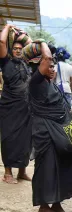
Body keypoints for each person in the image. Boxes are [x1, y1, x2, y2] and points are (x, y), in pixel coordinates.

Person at [29, 42, 72, 212]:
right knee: (46, 168)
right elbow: (48, 57)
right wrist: (43, 43)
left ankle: (57, 202)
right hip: (45, 134)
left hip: (61, 133)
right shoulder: (35, 83)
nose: (52, 69)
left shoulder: (52, 84)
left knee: (63, 166)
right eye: (48, 67)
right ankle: (44, 204)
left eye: (53, 67)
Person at [0, 24, 32, 184]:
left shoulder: (26, 63)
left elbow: (34, 47)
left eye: (21, 48)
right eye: (15, 48)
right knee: (9, 138)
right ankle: (7, 173)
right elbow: (1, 42)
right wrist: (7, 27)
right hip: (9, 109)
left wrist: (23, 36)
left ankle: (22, 172)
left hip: (26, 109)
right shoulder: (6, 62)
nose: (18, 50)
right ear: (11, 50)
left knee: (25, 140)